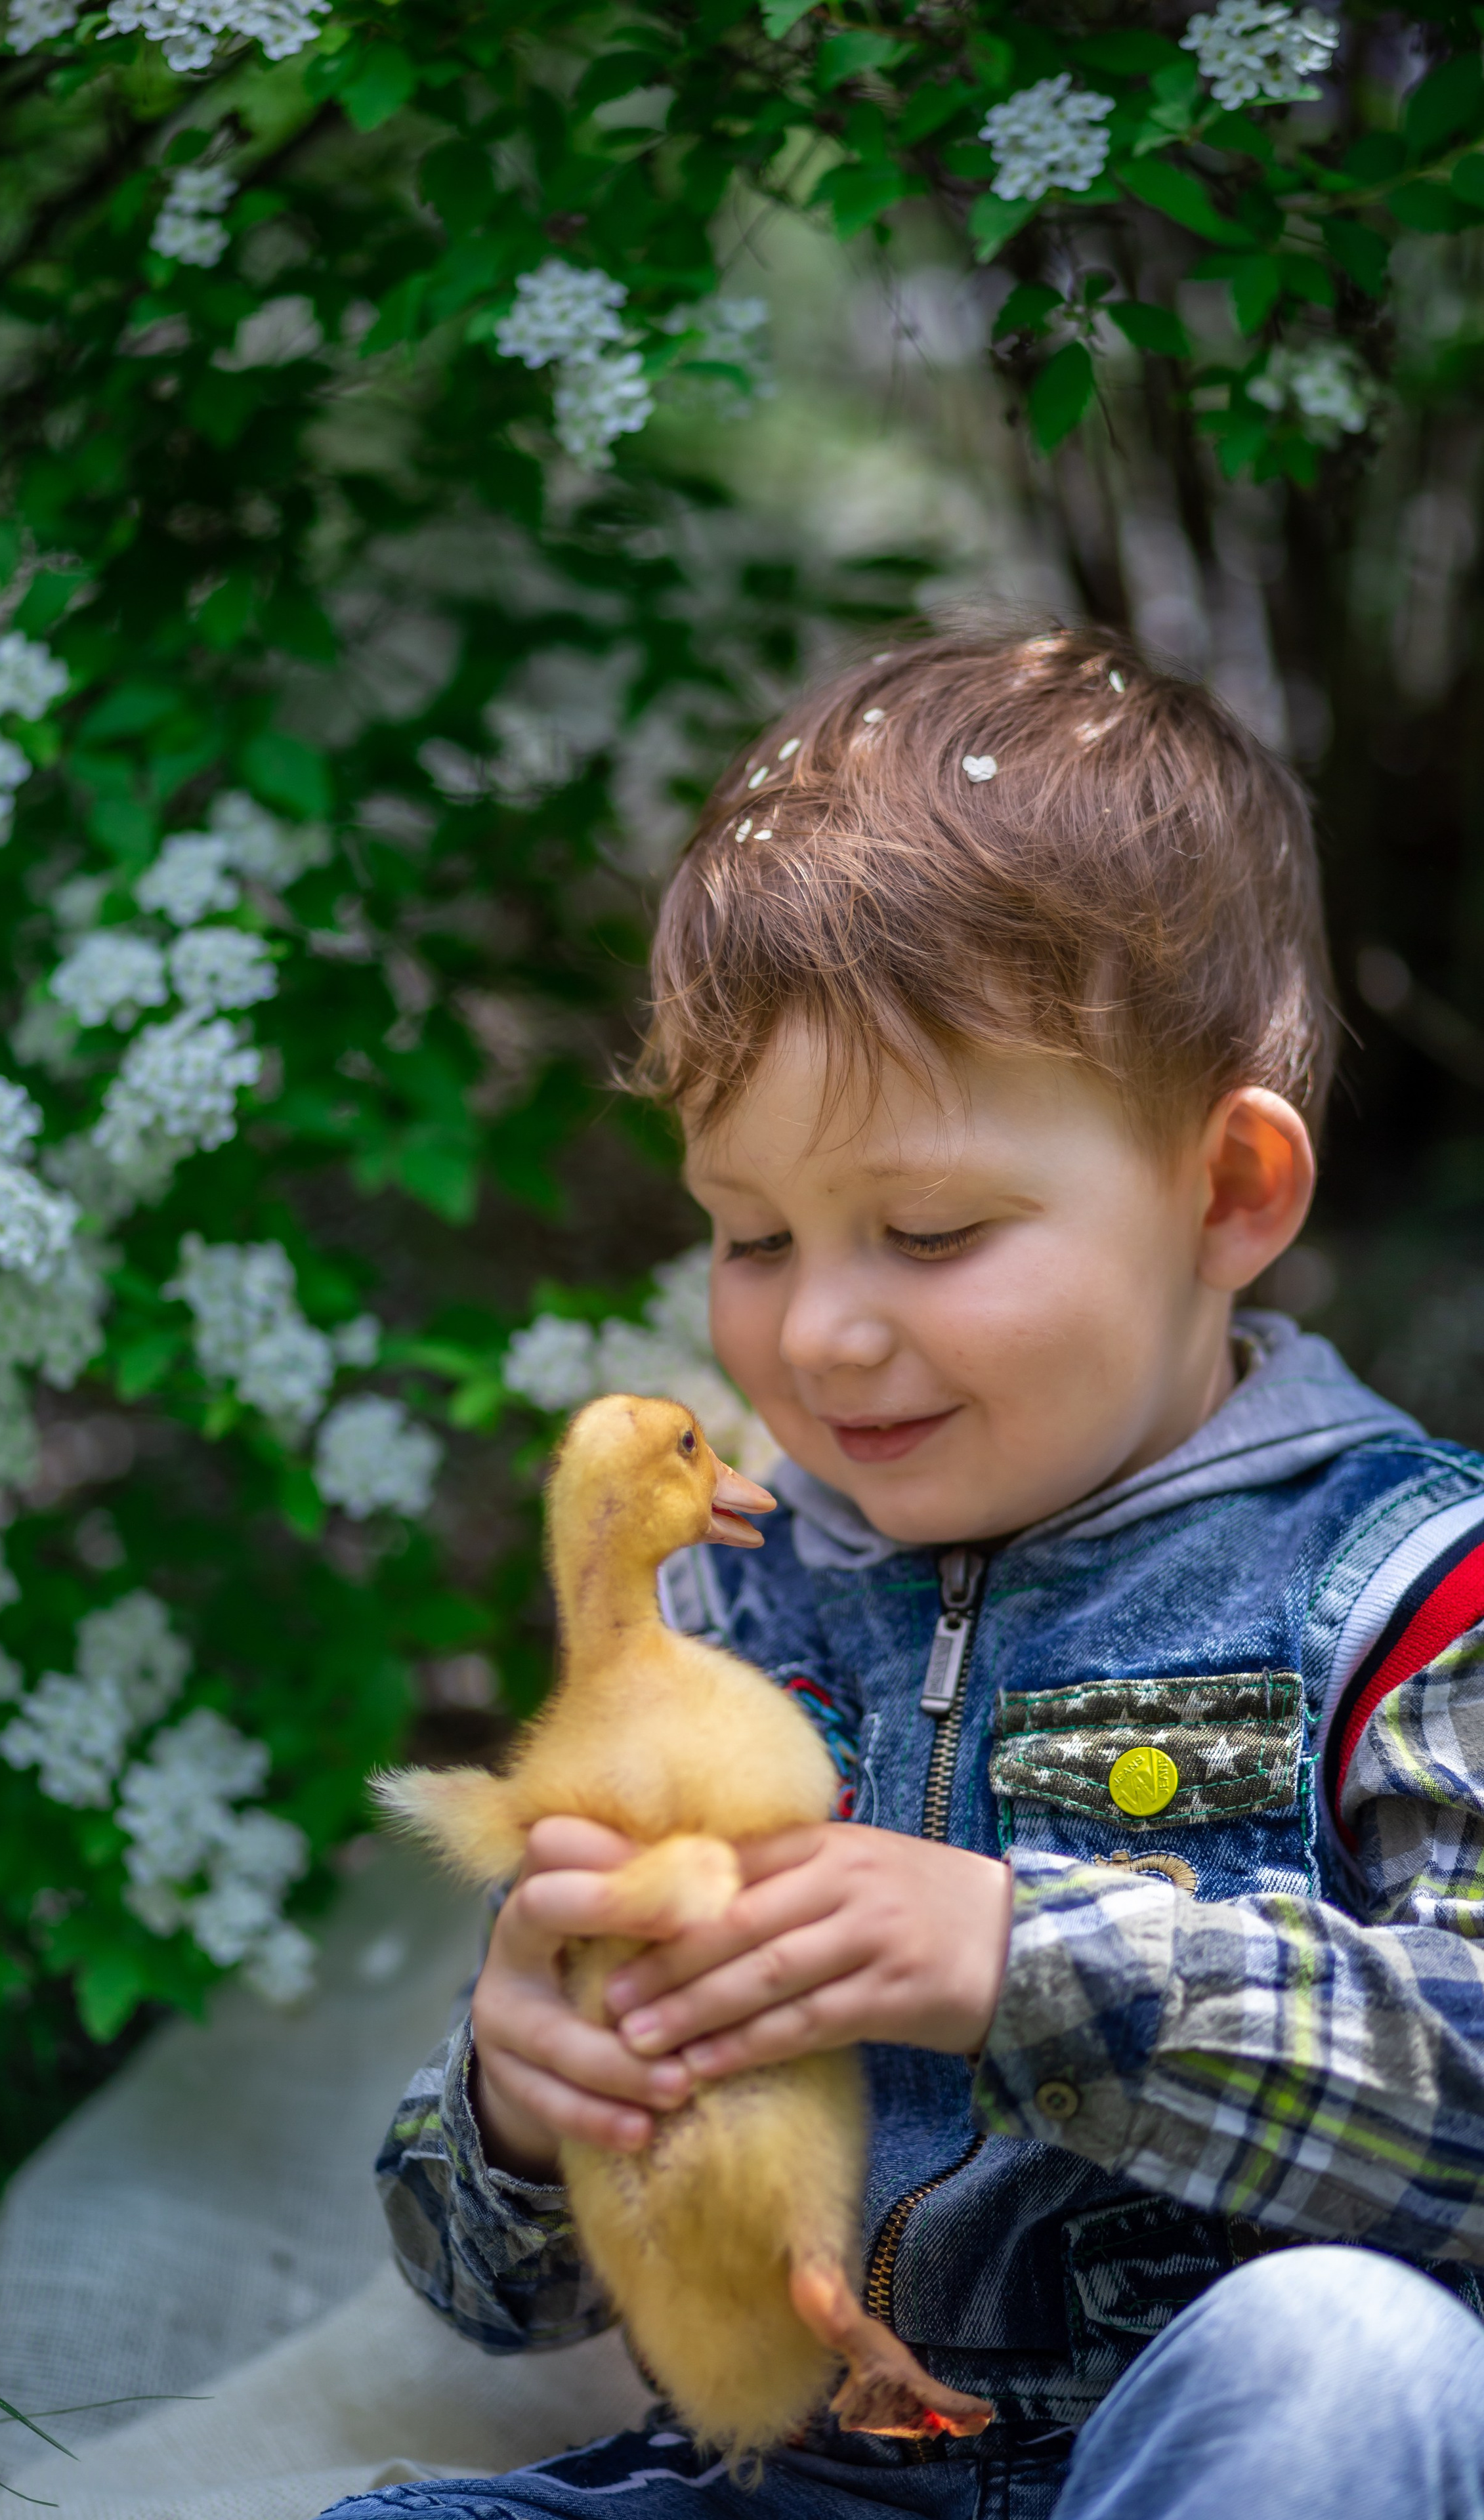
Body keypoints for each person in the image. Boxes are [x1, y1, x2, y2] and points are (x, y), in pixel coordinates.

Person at [328, 630, 1484, 2520]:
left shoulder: (1410, 1591)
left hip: (1190, 2462)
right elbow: (484, 2289)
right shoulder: (726, 1607)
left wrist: (1025, 1962)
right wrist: (523, 2112)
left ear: (1229, 1195)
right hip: (795, 2477)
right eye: (752, 1235)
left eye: (930, 1233)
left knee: (1351, 2364)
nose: (828, 1337)